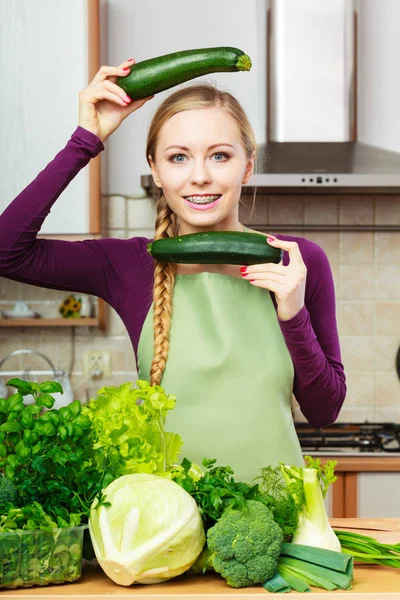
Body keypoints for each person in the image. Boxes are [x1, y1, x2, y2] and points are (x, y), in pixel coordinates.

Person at [0, 58, 346, 482]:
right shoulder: (127, 264)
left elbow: (324, 412)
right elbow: (6, 251)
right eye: (178, 157)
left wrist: (294, 315)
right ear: (156, 170)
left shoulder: (297, 261)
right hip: (169, 531)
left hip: (281, 529)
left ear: (248, 165)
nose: (199, 176)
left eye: (219, 156)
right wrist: (86, 139)